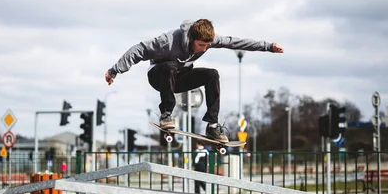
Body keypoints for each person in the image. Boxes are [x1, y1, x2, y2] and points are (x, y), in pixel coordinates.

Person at [104, 19, 284, 142]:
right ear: (191, 38)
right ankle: (166, 114)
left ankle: (212, 124)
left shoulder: (209, 40)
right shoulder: (167, 41)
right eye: (200, 45)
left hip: (180, 79)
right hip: (159, 77)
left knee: (212, 74)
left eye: (206, 46)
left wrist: (268, 47)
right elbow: (139, 50)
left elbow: (236, 42)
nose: (202, 49)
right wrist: (114, 71)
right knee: (170, 66)